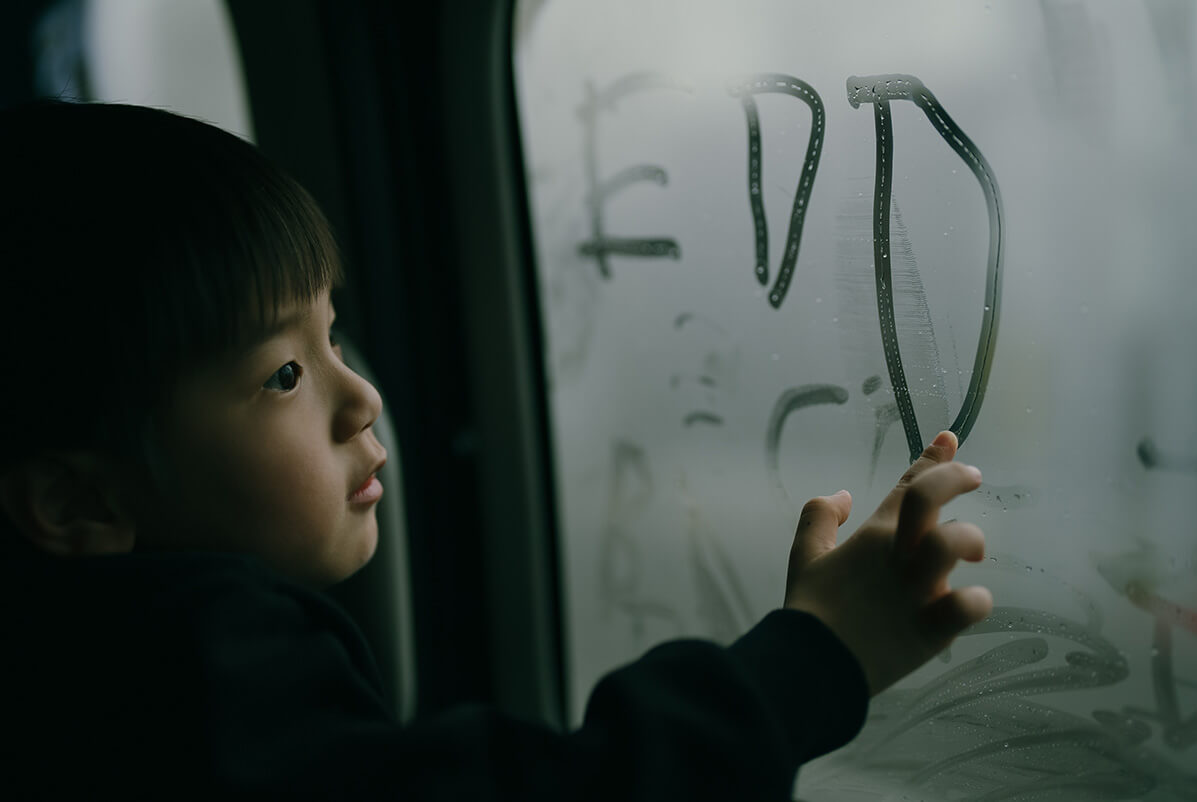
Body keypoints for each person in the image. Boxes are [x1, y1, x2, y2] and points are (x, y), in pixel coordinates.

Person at [0, 100, 992, 799]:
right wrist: (813, 658)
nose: (363, 397)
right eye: (284, 375)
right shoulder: (190, 678)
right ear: (77, 503)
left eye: (332, 335)